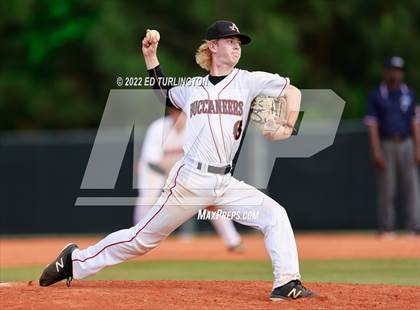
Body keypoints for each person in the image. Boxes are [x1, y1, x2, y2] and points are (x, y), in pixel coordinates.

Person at [39, 20, 316, 301]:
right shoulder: (193, 87)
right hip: (190, 182)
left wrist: (287, 126)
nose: (236, 46)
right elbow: (165, 93)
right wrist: (150, 57)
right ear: (213, 46)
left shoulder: (248, 81)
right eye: (230, 40)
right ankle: (75, 261)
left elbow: (292, 92)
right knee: (141, 240)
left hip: (224, 181)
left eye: (238, 42)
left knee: (275, 215)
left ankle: (286, 282)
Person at [134, 106, 244, 251]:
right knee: (148, 197)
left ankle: (233, 241)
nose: (177, 115)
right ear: (170, 112)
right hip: (154, 171)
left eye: (181, 112)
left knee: (209, 198)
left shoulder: (196, 128)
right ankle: (137, 238)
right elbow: (152, 161)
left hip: (183, 171)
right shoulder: (158, 127)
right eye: (175, 111)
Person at [364, 56, 420, 237]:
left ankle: (414, 226)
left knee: (412, 186)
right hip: (386, 143)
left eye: (399, 70)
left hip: (407, 142)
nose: (396, 73)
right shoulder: (377, 94)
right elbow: (372, 125)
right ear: (386, 71)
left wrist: (418, 147)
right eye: (393, 69)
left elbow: (415, 123)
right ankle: (387, 227)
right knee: (387, 187)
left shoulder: (409, 94)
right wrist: (376, 150)